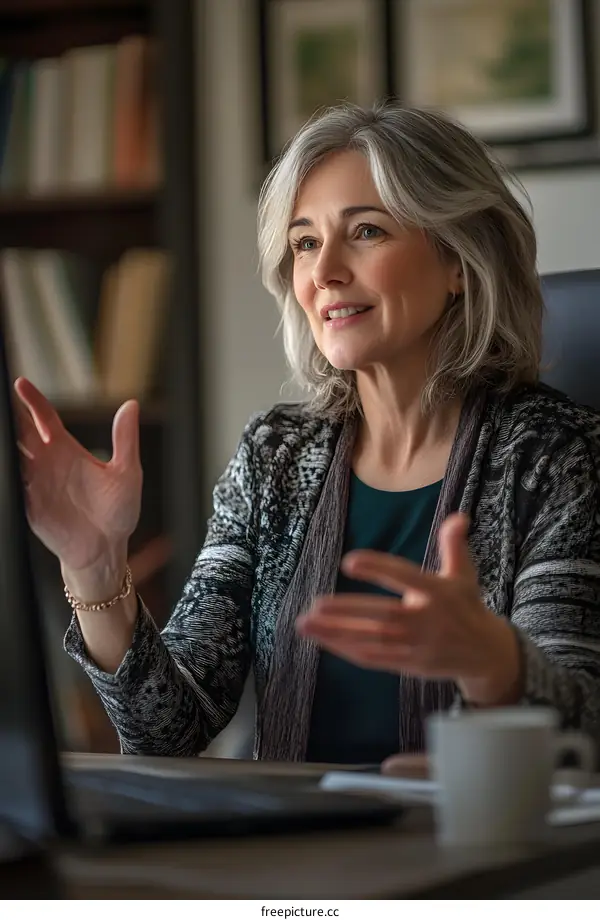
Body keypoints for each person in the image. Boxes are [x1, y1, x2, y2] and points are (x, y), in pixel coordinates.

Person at [14, 102, 600, 767]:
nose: (324, 272)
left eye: (367, 231)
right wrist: (94, 564)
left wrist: (498, 665)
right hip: (294, 850)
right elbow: (168, 731)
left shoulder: (557, 457)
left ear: (458, 261)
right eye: (304, 242)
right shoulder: (275, 455)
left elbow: (582, 735)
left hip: (476, 851)